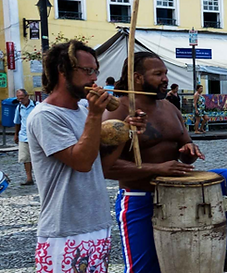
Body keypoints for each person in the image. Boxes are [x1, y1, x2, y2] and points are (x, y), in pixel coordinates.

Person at [100, 51, 227, 273]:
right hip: (141, 196)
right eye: (158, 74)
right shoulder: (118, 110)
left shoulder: (170, 108)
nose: (165, 79)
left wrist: (190, 151)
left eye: (166, 73)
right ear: (137, 77)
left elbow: (185, 150)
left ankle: (222, 248)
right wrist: (158, 169)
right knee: (144, 270)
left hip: (180, 188)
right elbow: (107, 168)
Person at [26, 40, 146, 273]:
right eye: (87, 71)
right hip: (63, 230)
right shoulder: (45, 116)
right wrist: (94, 115)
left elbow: (99, 166)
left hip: (96, 224)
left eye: (96, 71)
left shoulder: (82, 109)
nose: (94, 79)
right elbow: (80, 162)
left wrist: (125, 131)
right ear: (63, 71)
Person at [12, 89, 37, 186]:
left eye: (22, 98)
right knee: (25, 158)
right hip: (23, 135)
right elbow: (17, 122)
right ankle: (29, 178)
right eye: (19, 99)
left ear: (27, 96)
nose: (21, 101)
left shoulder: (36, 105)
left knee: (38, 158)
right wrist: (16, 134)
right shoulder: (19, 108)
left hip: (35, 136)